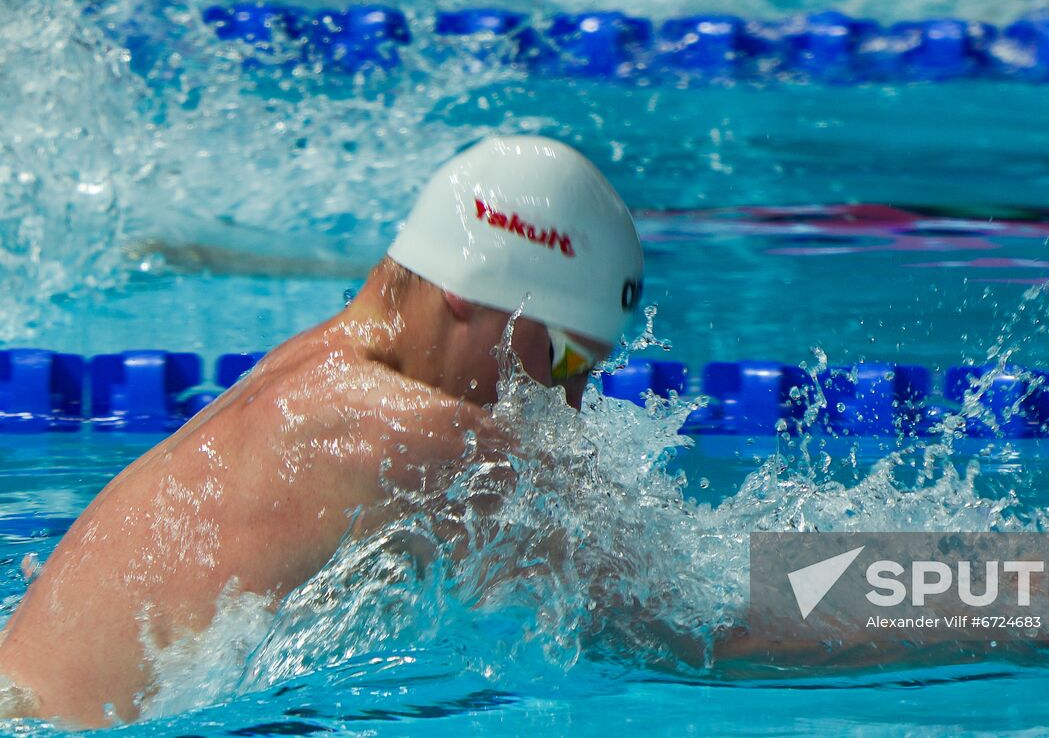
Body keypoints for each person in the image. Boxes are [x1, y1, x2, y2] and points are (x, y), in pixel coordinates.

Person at [0, 135, 645, 728]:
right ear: (469, 291)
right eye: (565, 356)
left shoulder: (311, 374)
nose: (570, 401)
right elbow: (694, 631)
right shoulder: (406, 435)